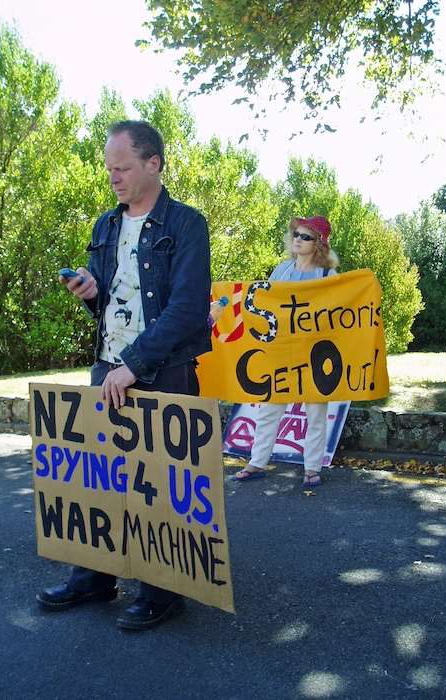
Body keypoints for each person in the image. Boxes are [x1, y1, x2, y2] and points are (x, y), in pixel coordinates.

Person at [36, 120, 212, 631]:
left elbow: (185, 308)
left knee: (161, 485)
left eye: (123, 167)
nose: (113, 177)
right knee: (101, 481)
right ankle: (95, 577)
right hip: (107, 368)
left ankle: (164, 590)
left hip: (163, 370)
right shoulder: (105, 226)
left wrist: (134, 365)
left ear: (153, 164)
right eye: (109, 168)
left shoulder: (186, 224)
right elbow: (116, 304)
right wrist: (93, 294)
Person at [232, 216, 339, 486]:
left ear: (319, 244)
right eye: (296, 234)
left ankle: (312, 469)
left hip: (315, 353)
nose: (298, 240)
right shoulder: (281, 270)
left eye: (305, 236)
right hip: (280, 351)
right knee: (270, 409)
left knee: (316, 412)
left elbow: (338, 314)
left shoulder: (329, 277)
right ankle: (257, 463)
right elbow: (264, 305)